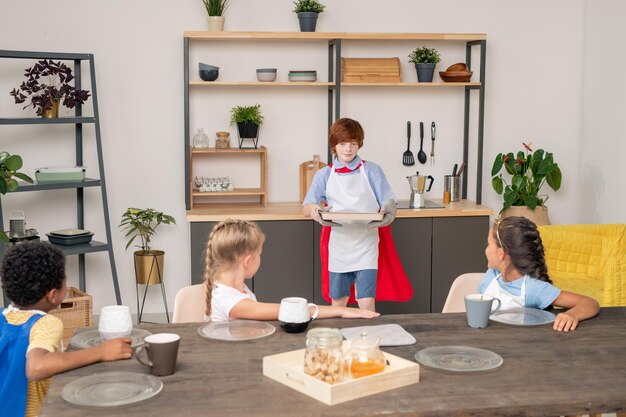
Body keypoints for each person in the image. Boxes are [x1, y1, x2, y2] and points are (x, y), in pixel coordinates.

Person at [0, 241, 132, 417]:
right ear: (53, 295)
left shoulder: (2, 317)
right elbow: (37, 367)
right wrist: (100, 352)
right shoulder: (45, 323)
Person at [302, 117, 411, 312]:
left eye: (353, 144)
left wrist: (389, 210)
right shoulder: (324, 174)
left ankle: (366, 340)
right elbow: (307, 205)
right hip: (339, 246)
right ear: (334, 145)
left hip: (366, 244)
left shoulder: (372, 171)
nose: (348, 149)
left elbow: (389, 200)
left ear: (359, 144)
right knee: (339, 301)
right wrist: (315, 211)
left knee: (366, 300)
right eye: (343, 143)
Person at [203, 218, 380, 321]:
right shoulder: (232, 302)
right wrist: (342, 310)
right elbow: (290, 312)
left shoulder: (234, 290)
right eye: (260, 254)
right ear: (248, 261)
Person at [479, 216, 600, 332]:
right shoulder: (491, 276)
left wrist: (571, 315)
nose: (486, 249)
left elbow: (590, 303)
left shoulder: (533, 289)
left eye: (488, 244)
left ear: (501, 254)